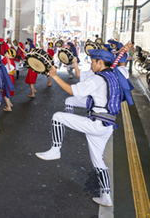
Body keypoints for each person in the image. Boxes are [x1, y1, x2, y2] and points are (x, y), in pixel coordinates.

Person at [35, 48, 133, 208]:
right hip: (107, 125)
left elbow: (73, 90)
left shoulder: (98, 79)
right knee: (98, 161)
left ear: (100, 63)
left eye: (93, 61)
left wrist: (54, 76)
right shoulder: (116, 74)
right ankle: (106, 196)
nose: (92, 64)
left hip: (96, 123)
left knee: (57, 117)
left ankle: (55, 149)